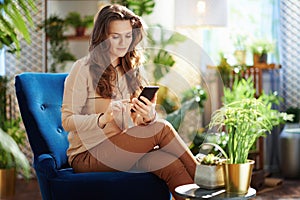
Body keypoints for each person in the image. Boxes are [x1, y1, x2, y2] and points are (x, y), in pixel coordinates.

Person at [61, 4, 198, 200]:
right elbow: (67, 120)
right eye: (115, 36)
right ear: (102, 37)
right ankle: (208, 184)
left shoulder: (133, 70)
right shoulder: (83, 68)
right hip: (88, 156)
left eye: (127, 36)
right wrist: (103, 118)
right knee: (162, 129)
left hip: (124, 149)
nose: (123, 42)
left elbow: (137, 123)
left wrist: (149, 116)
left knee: (169, 163)